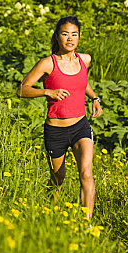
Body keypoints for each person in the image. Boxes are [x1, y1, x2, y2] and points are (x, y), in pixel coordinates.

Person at [17, 16, 102, 218]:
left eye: (74, 34)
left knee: (86, 173)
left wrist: (94, 97)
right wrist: (48, 92)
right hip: (55, 130)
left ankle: (86, 225)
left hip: (80, 125)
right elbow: (21, 90)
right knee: (58, 179)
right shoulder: (48, 63)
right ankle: (48, 217)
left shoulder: (85, 59)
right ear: (57, 36)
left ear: (79, 37)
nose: (70, 38)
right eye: (65, 34)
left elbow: (81, 81)